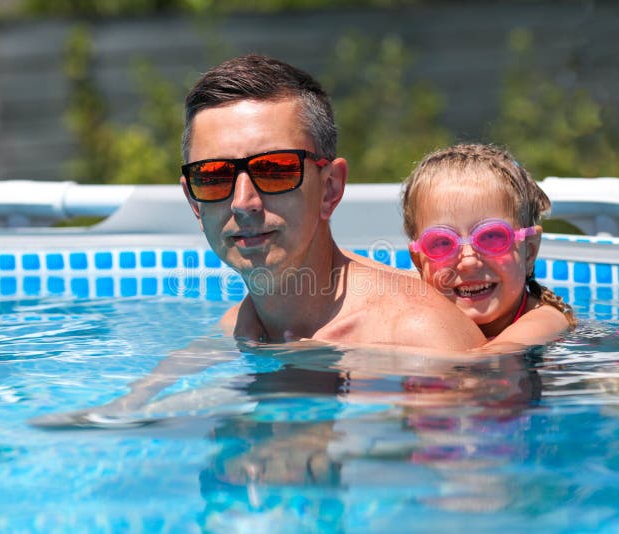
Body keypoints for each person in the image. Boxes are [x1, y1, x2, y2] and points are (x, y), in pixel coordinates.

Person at [180, 54, 484, 350]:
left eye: (275, 169)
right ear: (194, 201)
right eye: (213, 176)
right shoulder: (233, 332)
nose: (243, 203)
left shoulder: (420, 338)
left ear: (330, 188)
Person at [401, 143, 576, 350]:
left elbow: (485, 364)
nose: (468, 261)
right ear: (419, 263)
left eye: (491, 237)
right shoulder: (416, 301)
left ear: (529, 251)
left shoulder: (544, 320)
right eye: (442, 242)